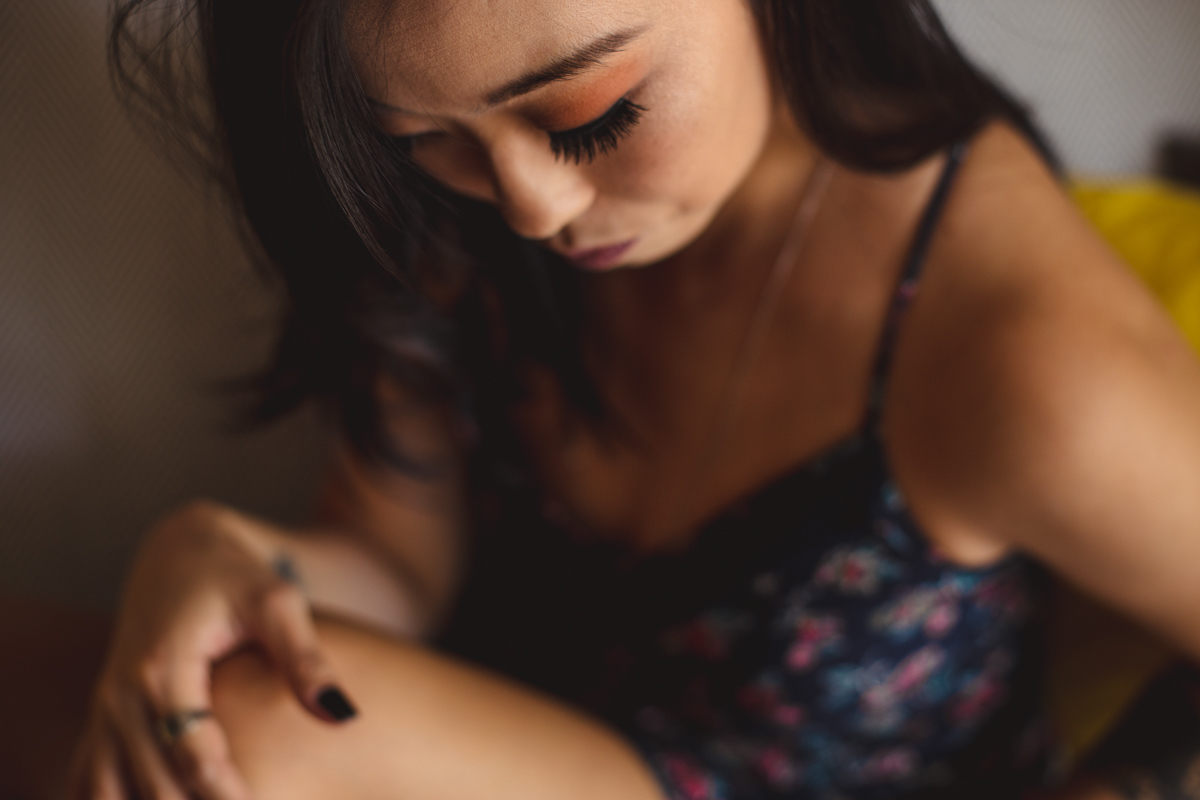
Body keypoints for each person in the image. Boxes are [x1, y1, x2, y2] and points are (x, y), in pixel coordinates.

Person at [55, 0, 1200, 798]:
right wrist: (232, 556)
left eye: (589, 114)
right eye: (425, 140)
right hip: (503, 737)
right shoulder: (454, 222)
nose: (533, 209)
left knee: (250, 734)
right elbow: (394, 566)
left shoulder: (1018, 353)